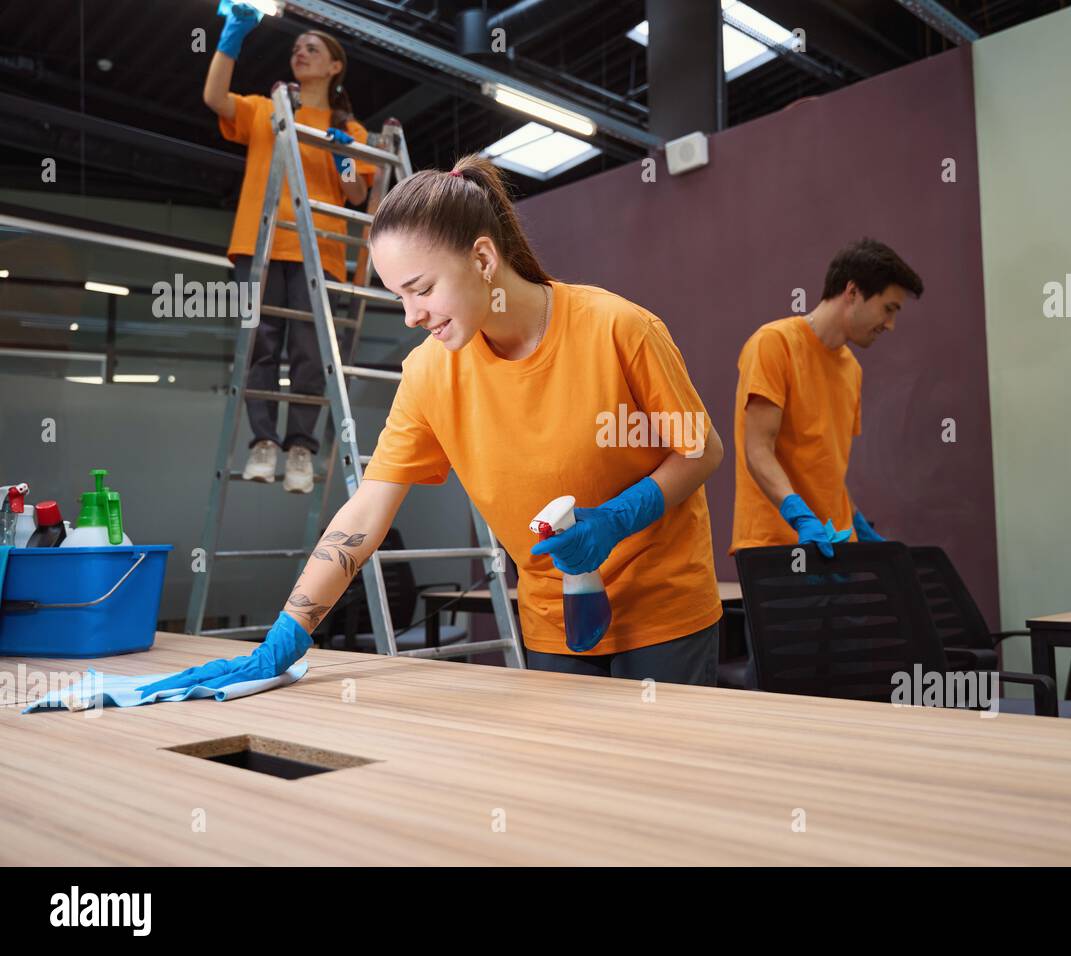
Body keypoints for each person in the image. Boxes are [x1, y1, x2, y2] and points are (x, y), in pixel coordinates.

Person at [139, 157, 724, 697]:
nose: (412, 315)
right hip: (553, 617)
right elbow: (366, 511)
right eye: (399, 296)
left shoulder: (617, 328)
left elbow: (700, 451)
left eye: (421, 289)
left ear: (484, 260)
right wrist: (288, 632)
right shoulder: (428, 372)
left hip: (663, 607)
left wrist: (619, 518)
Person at [728, 238, 923, 688]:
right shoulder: (773, 344)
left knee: (845, 694)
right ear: (852, 292)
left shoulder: (851, 369)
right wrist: (800, 516)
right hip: (780, 553)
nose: (891, 325)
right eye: (889, 309)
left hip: (837, 554)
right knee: (785, 702)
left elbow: (827, 467)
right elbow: (757, 449)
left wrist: (857, 523)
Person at [203, 2, 375, 494]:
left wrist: (344, 157)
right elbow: (215, 97)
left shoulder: (352, 130)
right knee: (259, 346)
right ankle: (262, 443)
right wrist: (231, 35)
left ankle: (300, 447)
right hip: (255, 247)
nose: (300, 50)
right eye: (297, 46)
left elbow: (359, 194)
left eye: (313, 47)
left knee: (307, 353)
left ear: (334, 66)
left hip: (317, 252)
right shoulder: (266, 109)